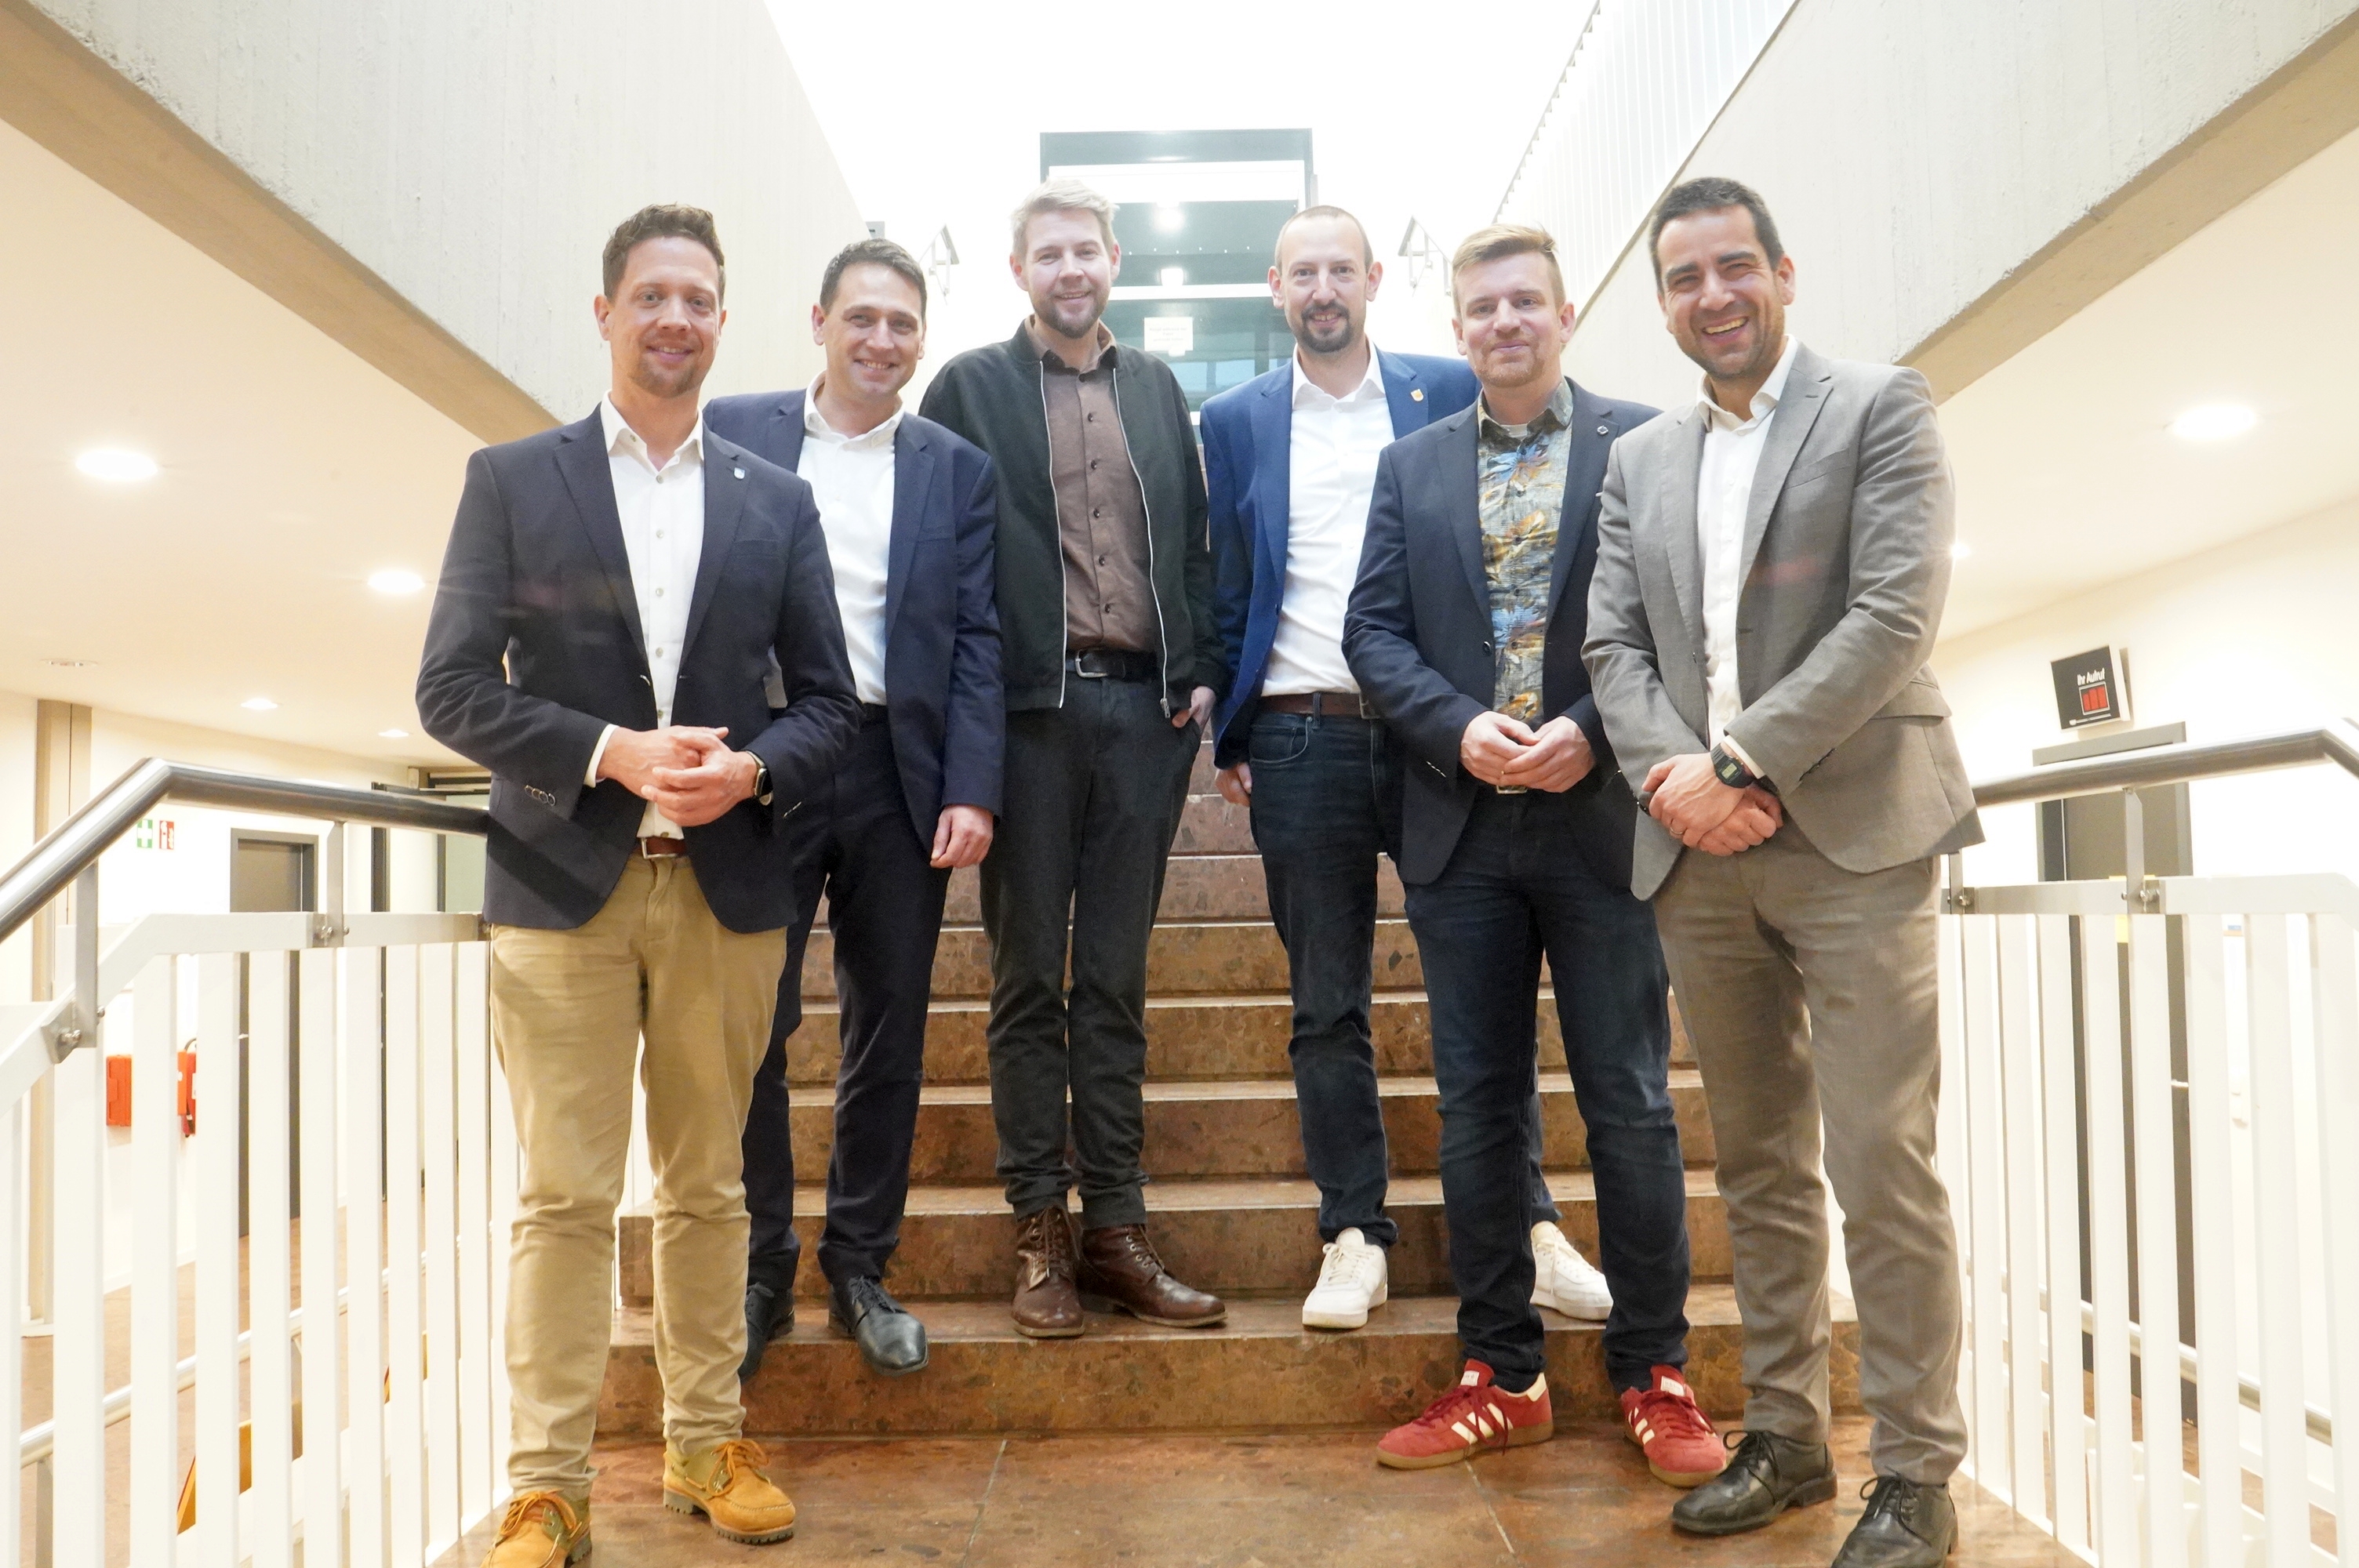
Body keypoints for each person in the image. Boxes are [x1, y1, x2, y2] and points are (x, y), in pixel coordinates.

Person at [418, 205, 861, 1562]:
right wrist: (608, 751)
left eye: (700, 298)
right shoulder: (512, 479)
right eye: (653, 295)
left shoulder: (778, 498)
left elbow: (832, 708)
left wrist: (755, 771)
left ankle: (703, 1443)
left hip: (728, 889)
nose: (677, 317)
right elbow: (449, 690)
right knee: (563, 1196)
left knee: (710, 1188)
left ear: (723, 321)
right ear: (606, 311)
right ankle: (548, 1487)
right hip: (563, 885)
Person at [1584, 176, 1980, 1568]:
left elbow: (1894, 613)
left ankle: (1917, 1472)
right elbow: (1612, 648)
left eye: (1734, 267)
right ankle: (1790, 1437)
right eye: (1685, 278)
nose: (1714, 296)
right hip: (1697, 854)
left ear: (1783, 272)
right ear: (1663, 302)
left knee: (1881, 1162)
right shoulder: (1640, 460)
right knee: (1758, 1166)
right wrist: (1674, 782)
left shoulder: (1879, 405)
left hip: (1857, 836)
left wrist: (1740, 761)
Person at [1345, 225, 1721, 1486]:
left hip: (1602, 817)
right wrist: (1460, 729)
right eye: (1482, 307)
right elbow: (1373, 632)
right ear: (1458, 329)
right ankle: (1502, 1375)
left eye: (1524, 302)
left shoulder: (1646, 442)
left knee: (1630, 1101)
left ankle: (1654, 1373)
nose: (1503, 322)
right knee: (1477, 1107)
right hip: (1459, 826)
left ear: (1565, 314)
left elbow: (1677, 623)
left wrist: (1588, 732)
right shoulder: (1411, 464)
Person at [1202, 205, 1605, 1334]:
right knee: (1325, 1000)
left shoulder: (1448, 387)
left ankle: (1531, 1224)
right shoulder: (1233, 420)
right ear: (1276, 288)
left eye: (1342, 269)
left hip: (1448, 734)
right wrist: (1229, 727)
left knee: (1487, 992)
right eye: (1302, 274)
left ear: (1375, 279)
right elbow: (1226, 576)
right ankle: (1353, 1231)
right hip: (1303, 729)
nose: (1323, 289)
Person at [918, 179, 1227, 1338]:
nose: (1070, 270)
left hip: (1145, 719)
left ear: (1113, 261)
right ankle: (1040, 1227)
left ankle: (1117, 1230)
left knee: (1114, 980)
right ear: (1020, 271)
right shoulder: (969, 387)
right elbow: (938, 556)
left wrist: (1200, 666)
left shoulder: (1157, 387)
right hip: (1027, 719)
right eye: (1048, 254)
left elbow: (1191, 543)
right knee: (1024, 982)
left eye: (1086, 251)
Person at [707, 237, 1001, 1381]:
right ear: (820, 321)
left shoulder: (954, 468)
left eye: (903, 324)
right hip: (765, 761)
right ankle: (760, 1266)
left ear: (921, 341)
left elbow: (978, 638)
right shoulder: (736, 429)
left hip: (897, 770)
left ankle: (861, 1266)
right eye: (862, 318)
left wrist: (971, 784)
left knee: (889, 1027)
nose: (882, 341)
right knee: (752, 1022)